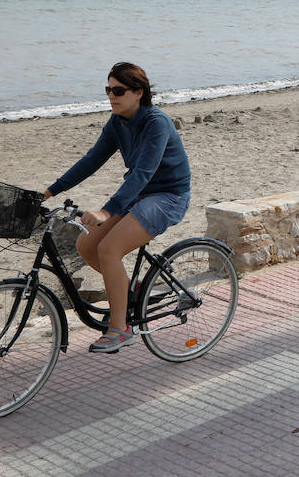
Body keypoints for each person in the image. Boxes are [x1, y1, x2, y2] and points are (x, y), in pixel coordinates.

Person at [42, 62, 191, 353]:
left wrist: (107, 211)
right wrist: (49, 191)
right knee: (86, 245)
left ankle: (121, 329)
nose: (111, 96)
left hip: (168, 196)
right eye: (108, 90)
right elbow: (90, 161)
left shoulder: (157, 123)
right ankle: (131, 291)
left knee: (109, 249)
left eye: (118, 91)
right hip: (138, 194)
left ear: (139, 92)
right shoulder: (117, 122)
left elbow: (143, 173)